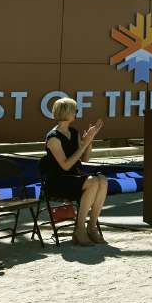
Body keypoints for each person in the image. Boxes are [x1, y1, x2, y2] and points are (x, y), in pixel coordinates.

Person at [42, 97, 107, 246]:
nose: (77, 113)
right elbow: (65, 165)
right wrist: (83, 145)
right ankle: (79, 229)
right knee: (92, 182)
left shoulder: (73, 131)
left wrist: (89, 141)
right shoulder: (53, 138)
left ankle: (91, 226)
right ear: (66, 113)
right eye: (75, 110)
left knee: (102, 180)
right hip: (58, 181)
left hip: (75, 177)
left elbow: (85, 159)